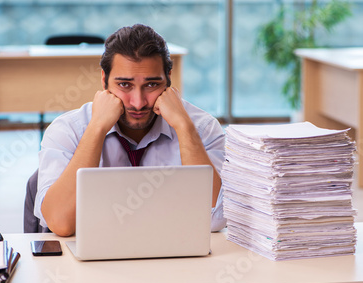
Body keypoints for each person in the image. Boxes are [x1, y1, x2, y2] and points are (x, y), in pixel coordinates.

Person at [34, 24, 226, 236]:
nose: (138, 102)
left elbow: (218, 218)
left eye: (151, 85)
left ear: (168, 79)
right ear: (104, 80)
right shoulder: (69, 129)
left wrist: (184, 127)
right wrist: (97, 128)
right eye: (124, 85)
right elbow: (60, 223)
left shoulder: (202, 128)